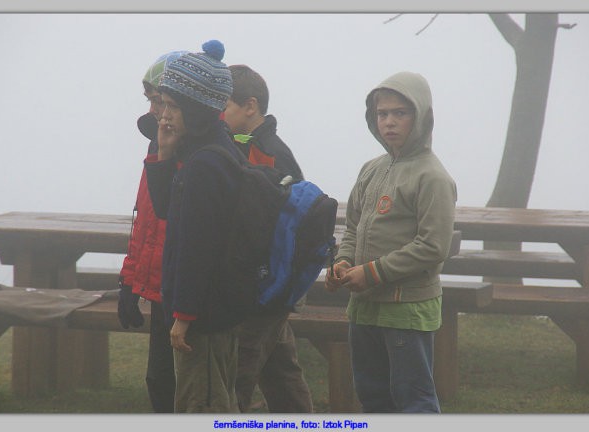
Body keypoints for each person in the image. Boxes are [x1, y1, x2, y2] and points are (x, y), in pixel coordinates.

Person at [325, 71, 457, 413]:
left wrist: (371, 272)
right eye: (382, 114)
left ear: (421, 115)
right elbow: (353, 227)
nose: (390, 122)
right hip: (365, 307)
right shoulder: (371, 169)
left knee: (413, 401)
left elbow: (432, 247)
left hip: (406, 310)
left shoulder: (433, 176)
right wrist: (343, 262)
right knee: (373, 397)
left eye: (400, 113)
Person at [144, 40, 245, 413]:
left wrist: (183, 315)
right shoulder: (210, 150)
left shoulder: (207, 165)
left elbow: (196, 248)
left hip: (202, 315)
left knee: (201, 407)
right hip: (212, 309)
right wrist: (165, 154)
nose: (163, 115)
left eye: (173, 106)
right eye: (163, 105)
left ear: (199, 109)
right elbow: (170, 213)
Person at [222, 64, 312, 413]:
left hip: (264, 284)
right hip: (266, 284)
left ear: (251, 106)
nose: (219, 114)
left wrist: (264, 282)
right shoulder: (240, 145)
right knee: (280, 370)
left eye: (224, 105)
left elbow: (282, 224)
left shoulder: (272, 153)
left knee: (239, 374)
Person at [117, 50, 186, 413]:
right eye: (152, 100)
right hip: (159, 286)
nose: (156, 109)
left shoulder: (197, 148)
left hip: (186, 288)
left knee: (190, 390)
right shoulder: (157, 143)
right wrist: (129, 280)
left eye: (162, 100)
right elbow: (145, 221)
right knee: (160, 383)